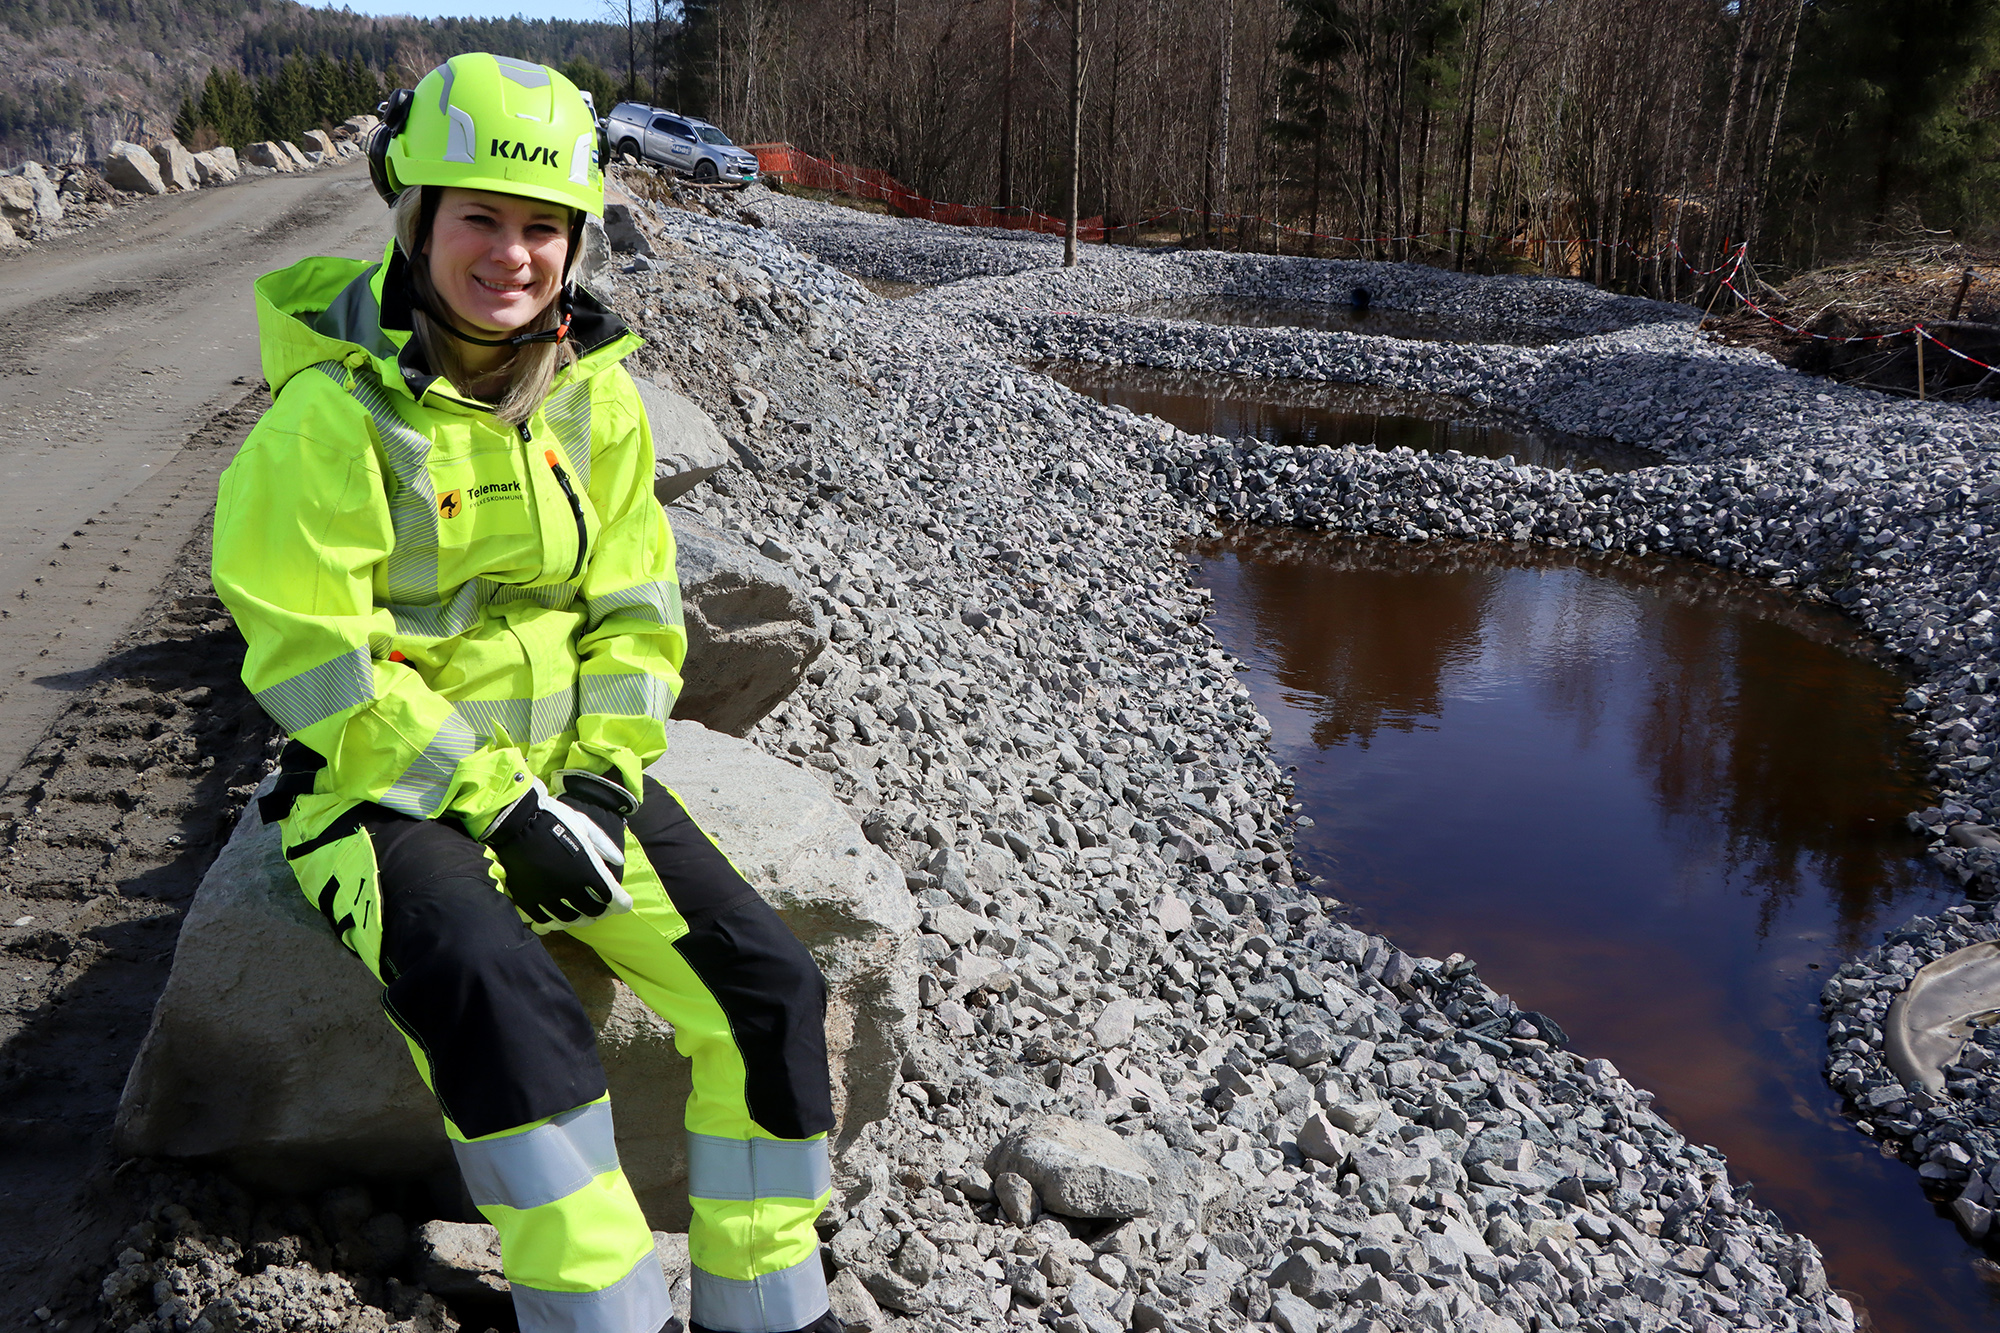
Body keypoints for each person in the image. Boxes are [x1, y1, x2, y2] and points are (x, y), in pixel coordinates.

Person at [210, 52, 839, 1333]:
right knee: (512, 1009)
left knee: (770, 990)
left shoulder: (595, 399)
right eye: (479, 219)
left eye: (543, 226)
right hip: (383, 799)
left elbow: (636, 612)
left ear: (577, 239)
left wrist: (602, 781)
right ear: (417, 220)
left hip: (569, 780)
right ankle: (602, 1316)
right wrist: (500, 810)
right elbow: (321, 667)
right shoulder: (325, 425)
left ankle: (767, 1307)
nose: (512, 254)